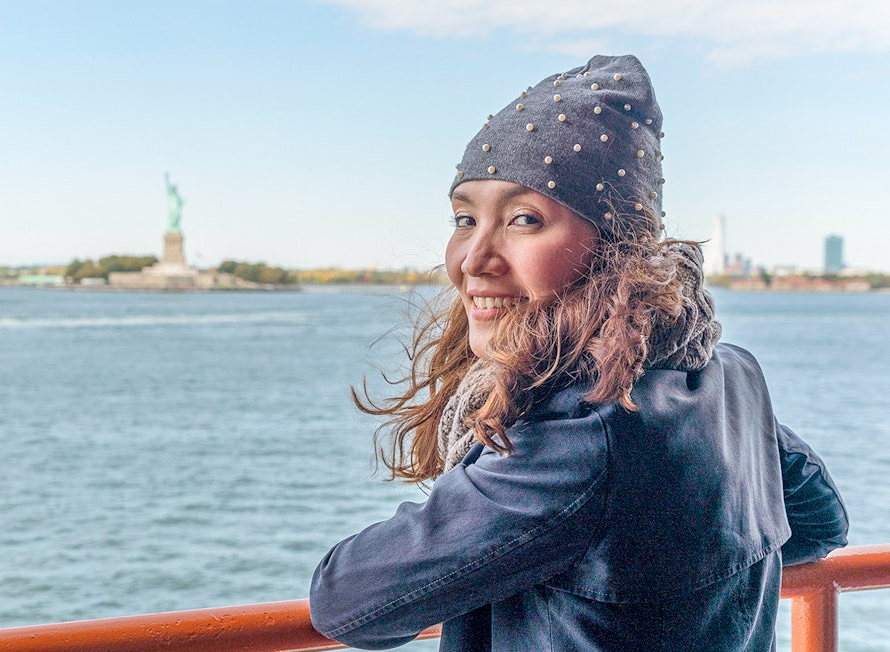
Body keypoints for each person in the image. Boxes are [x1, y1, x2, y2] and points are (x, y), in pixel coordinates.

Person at [308, 55, 848, 651]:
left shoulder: (574, 435)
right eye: (464, 218)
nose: (471, 259)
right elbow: (820, 523)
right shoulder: (729, 375)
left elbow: (346, 600)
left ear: (616, 247)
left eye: (523, 219)